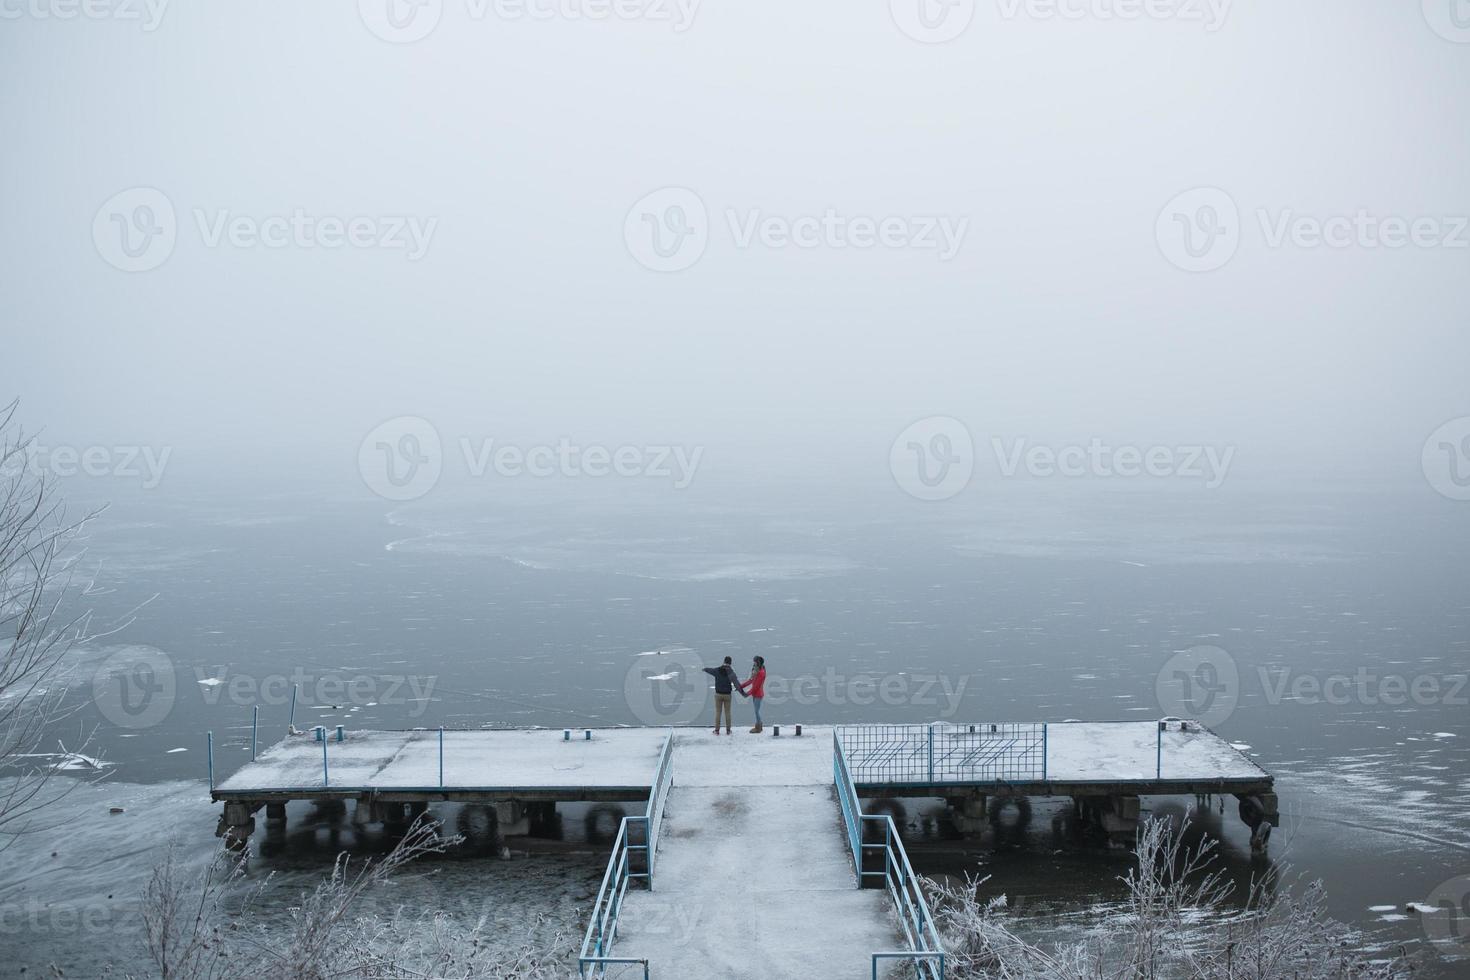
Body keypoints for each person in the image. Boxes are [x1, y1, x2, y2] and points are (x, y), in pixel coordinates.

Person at [702, 656, 744, 735]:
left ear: (724, 661)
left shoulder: (717, 670)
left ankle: (717, 731)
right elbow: (737, 684)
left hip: (718, 694)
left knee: (718, 712)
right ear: (730, 663)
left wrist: (705, 669)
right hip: (727, 695)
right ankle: (728, 731)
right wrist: (742, 692)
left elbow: (710, 670)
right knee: (727, 712)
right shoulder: (731, 672)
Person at [739, 656, 767, 734]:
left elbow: (756, 687)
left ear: (758, 662)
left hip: (758, 694)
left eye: (755, 662)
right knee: (756, 711)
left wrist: (747, 694)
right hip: (754, 694)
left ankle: (758, 728)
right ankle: (759, 726)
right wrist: (740, 686)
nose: (753, 663)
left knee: (756, 711)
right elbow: (750, 681)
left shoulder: (761, 673)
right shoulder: (756, 671)